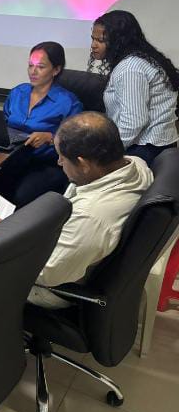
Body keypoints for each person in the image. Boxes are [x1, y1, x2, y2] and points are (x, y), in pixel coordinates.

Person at [24, 113, 153, 308]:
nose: (59, 162)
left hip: (51, 289)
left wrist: (6, 245)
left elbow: (46, 274)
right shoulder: (136, 164)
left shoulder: (91, 216)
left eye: (62, 157)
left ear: (84, 164)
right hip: (67, 249)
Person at [0, 41, 83, 207]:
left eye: (40, 67)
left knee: (20, 197)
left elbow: (77, 142)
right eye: (30, 65)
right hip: (11, 157)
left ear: (56, 70)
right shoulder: (18, 92)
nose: (33, 71)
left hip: (45, 163)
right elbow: (4, 123)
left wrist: (51, 138)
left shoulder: (68, 102)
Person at [89, 10, 179, 167]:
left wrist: (106, 154)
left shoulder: (130, 68)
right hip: (157, 144)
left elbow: (133, 122)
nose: (93, 45)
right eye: (93, 38)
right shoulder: (141, 59)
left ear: (119, 41)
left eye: (101, 40)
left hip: (144, 148)